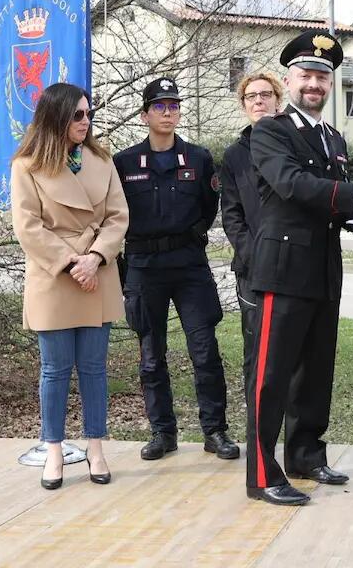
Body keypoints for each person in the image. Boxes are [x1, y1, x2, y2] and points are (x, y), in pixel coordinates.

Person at [245, 30, 353, 506]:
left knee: (315, 371)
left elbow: (334, 204)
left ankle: (304, 454)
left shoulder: (332, 137)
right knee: (271, 375)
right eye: (306, 75)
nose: (314, 83)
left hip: (322, 268)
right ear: (288, 79)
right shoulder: (270, 131)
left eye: (322, 76)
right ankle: (261, 474)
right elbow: (292, 185)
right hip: (282, 268)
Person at [113, 78, 239, 462]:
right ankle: (161, 432)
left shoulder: (199, 159)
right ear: (144, 114)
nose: (168, 113)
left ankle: (215, 431)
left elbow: (207, 207)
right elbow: (115, 213)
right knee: (151, 355)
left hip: (188, 264)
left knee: (205, 351)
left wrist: (187, 236)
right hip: (143, 265)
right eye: (160, 106)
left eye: (173, 106)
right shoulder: (124, 162)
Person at [11, 82, 129, 490]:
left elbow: (118, 216)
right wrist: (70, 263)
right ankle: (55, 450)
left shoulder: (101, 159)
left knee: (95, 369)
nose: (86, 121)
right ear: (56, 117)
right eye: (78, 115)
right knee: (55, 370)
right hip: (54, 277)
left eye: (88, 113)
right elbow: (27, 226)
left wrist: (94, 258)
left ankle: (96, 447)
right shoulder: (26, 165)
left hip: (97, 273)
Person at [219, 71, 285, 387]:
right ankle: (257, 431)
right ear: (244, 105)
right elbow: (232, 216)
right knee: (256, 354)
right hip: (253, 270)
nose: (259, 100)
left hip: (294, 264)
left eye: (265, 94)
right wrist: (256, 257)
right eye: (251, 96)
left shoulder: (294, 144)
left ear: (277, 100)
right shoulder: (234, 156)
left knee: (292, 354)